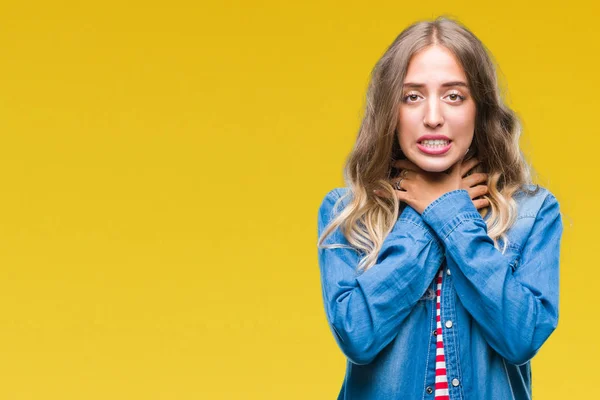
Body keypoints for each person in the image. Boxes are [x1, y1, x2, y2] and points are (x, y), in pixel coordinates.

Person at [316, 16, 563, 400]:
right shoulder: (347, 212)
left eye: (454, 95)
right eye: (412, 96)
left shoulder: (532, 213)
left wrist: (451, 214)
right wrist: (432, 216)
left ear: (479, 108)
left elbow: (523, 337)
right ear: (389, 110)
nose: (433, 118)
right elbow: (357, 335)